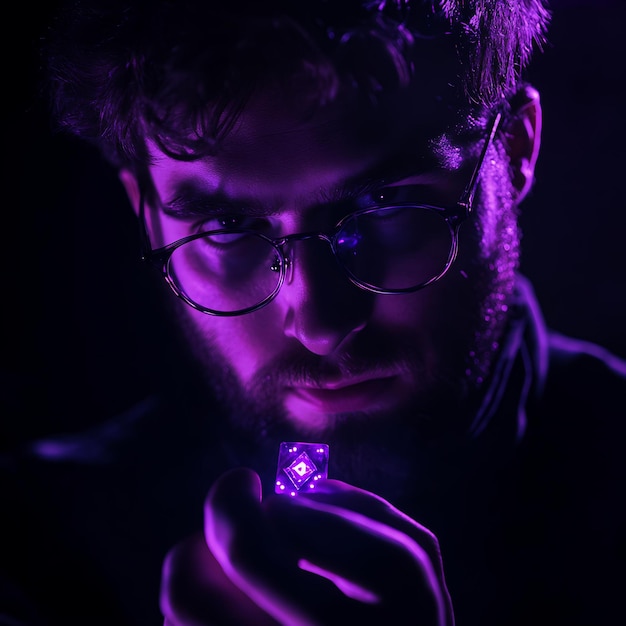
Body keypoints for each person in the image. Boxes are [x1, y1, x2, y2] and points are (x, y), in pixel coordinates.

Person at [3, 0, 625, 624]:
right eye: (229, 226)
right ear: (144, 212)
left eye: (387, 204)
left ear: (515, 149)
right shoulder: (39, 543)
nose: (322, 327)